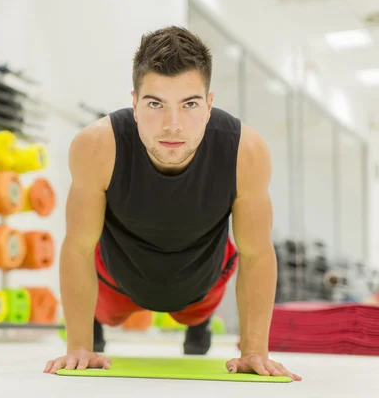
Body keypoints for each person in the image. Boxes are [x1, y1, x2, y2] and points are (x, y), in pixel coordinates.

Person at [43, 26, 301, 381]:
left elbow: (256, 254)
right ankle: (94, 327)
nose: (172, 125)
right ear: (133, 104)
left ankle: (199, 325)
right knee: (110, 313)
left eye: (190, 104)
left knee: (193, 312)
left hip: (200, 278)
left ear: (209, 105)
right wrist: (78, 346)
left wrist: (254, 351)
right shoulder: (96, 146)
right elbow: (77, 248)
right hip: (118, 274)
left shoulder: (246, 152)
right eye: (155, 104)